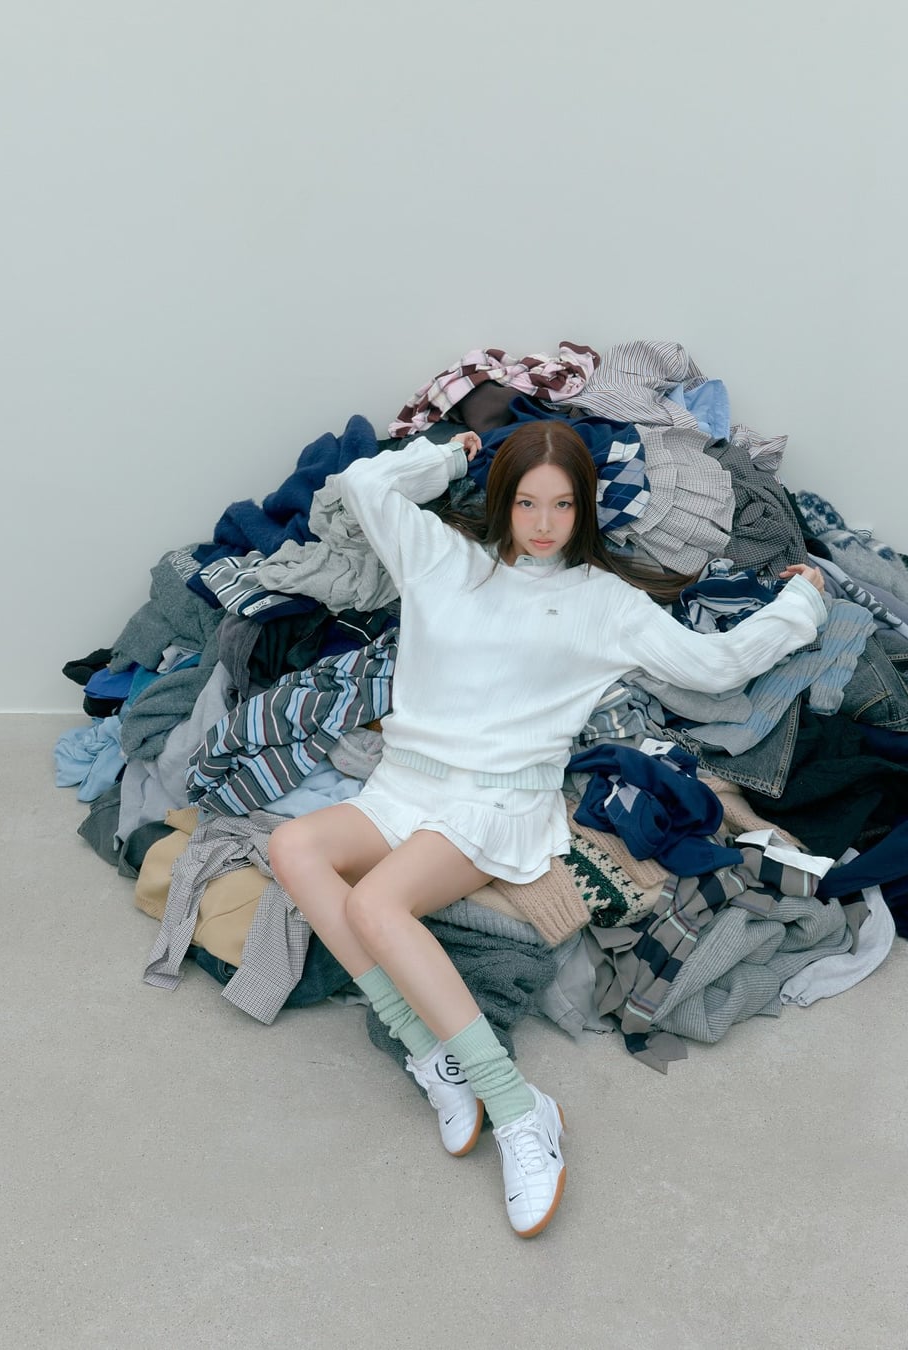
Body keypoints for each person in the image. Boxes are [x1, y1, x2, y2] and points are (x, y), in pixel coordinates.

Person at [268, 419, 826, 1239]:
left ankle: (518, 1108)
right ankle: (431, 1053)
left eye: (562, 505)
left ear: (583, 509)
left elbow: (717, 667)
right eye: (527, 503)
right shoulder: (442, 559)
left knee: (375, 906)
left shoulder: (604, 602)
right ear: (501, 499)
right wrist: (444, 455)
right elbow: (363, 486)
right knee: (292, 847)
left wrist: (803, 601)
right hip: (404, 785)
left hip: (496, 802)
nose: (542, 523)